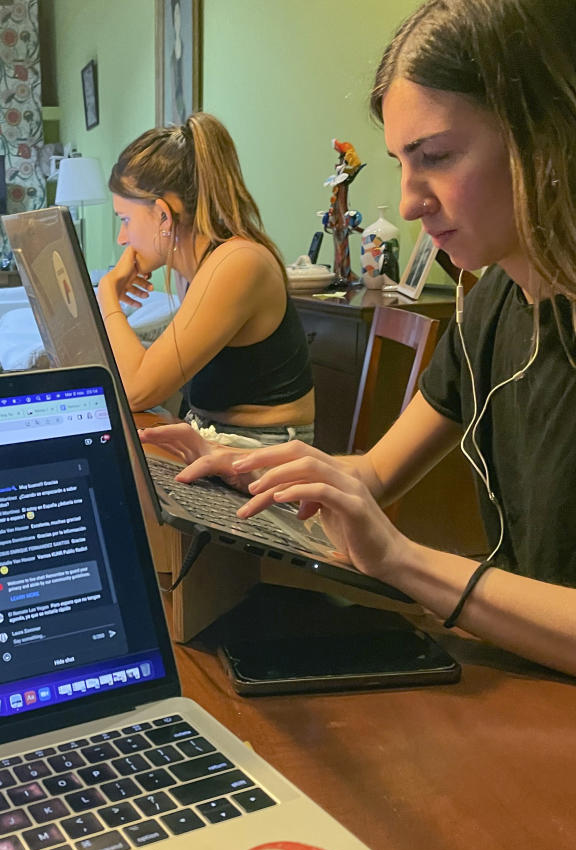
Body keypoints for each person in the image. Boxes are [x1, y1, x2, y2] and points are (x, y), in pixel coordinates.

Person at [141, 0, 576, 677]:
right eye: (403, 162)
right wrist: (246, 467)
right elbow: (373, 473)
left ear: (546, 136)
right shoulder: (492, 303)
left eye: (436, 157)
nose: (407, 202)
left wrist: (403, 560)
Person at [98, 112, 315, 446]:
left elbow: (135, 390)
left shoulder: (237, 262)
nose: (122, 239)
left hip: (261, 455)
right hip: (216, 440)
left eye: (126, 220)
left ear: (162, 215)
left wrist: (107, 295)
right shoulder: (198, 267)